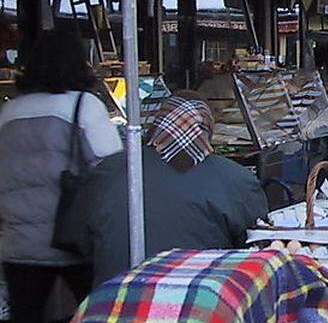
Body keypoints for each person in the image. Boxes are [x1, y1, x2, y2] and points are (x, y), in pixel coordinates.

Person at [0, 30, 122, 323]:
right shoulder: (85, 106)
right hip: (71, 237)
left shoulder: (10, 112)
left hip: (18, 242)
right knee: (95, 320)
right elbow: (112, 167)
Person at [63, 94, 268, 287]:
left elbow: (78, 242)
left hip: (113, 304)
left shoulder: (108, 171)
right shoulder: (236, 179)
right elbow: (255, 249)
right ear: (207, 130)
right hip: (200, 309)